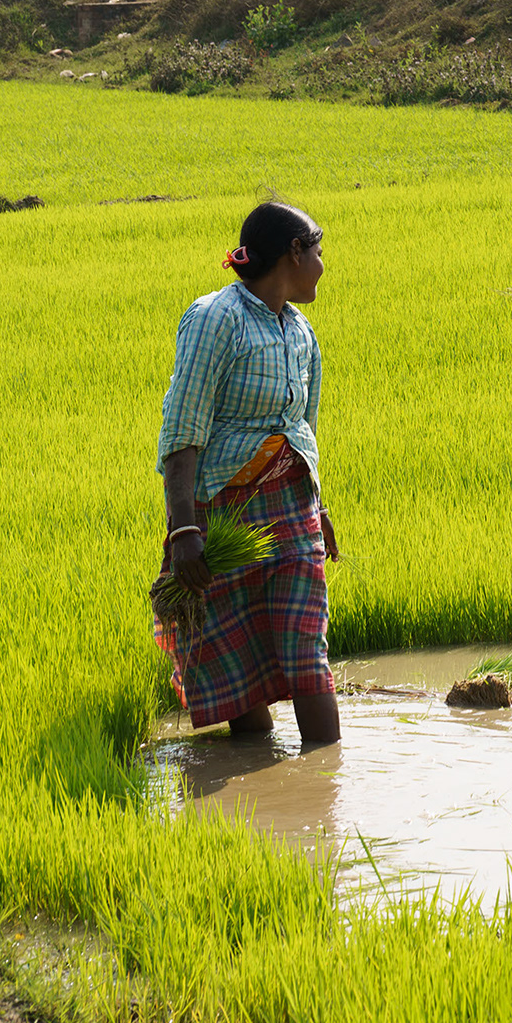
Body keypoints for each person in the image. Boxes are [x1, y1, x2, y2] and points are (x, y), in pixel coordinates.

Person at [154, 202, 341, 744]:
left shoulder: (301, 331)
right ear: (294, 253)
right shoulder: (217, 318)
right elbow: (182, 429)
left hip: (292, 510)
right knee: (238, 660)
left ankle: (324, 778)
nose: (323, 264)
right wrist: (184, 530)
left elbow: (304, 428)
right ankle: (259, 776)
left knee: (306, 647)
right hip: (223, 513)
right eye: (319, 251)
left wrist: (319, 508)